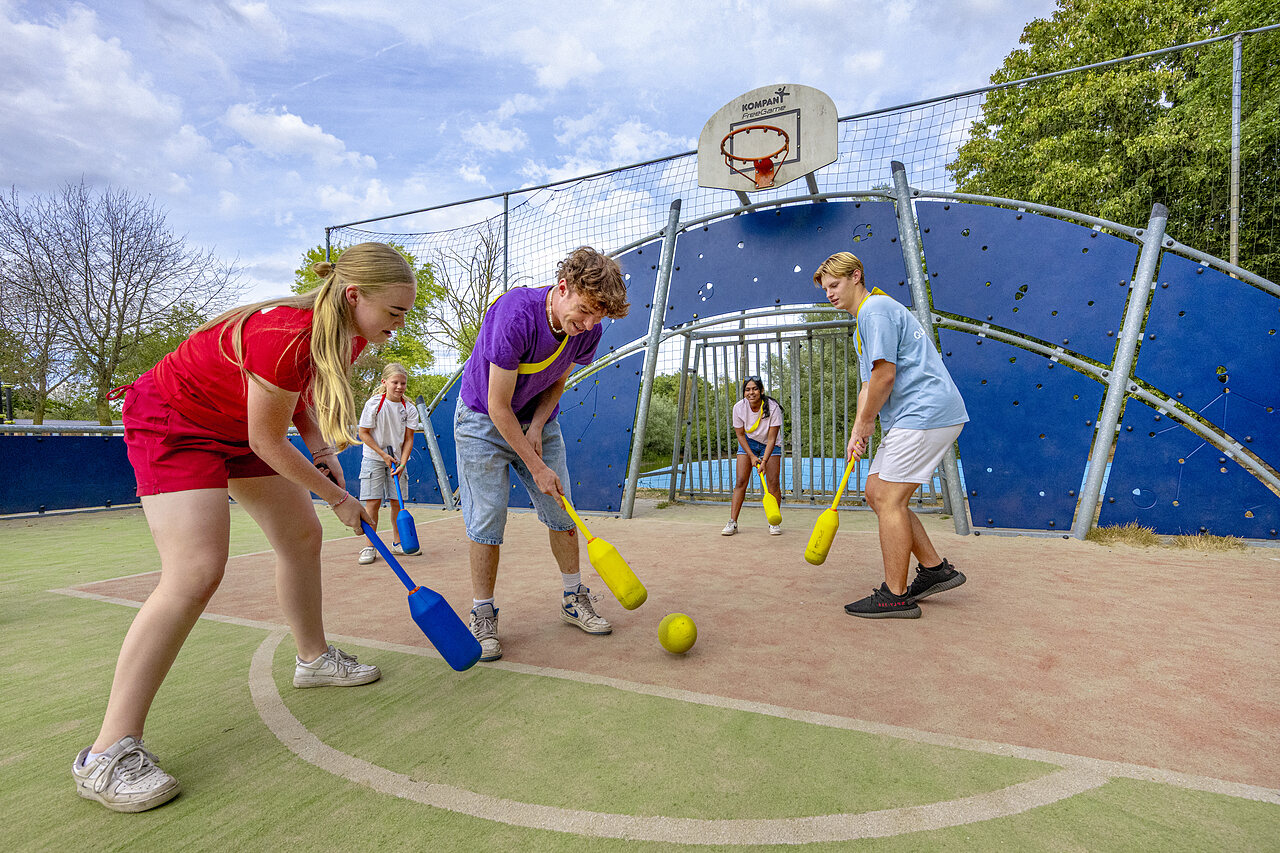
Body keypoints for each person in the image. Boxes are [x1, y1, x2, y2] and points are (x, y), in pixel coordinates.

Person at [73, 242, 416, 811]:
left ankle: (312, 660)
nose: (399, 325)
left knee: (301, 536)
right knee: (196, 571)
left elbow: (296, 402)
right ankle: (106, 754)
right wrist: (337, 497)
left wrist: (324, 455)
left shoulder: (349, 335)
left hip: (240, 427)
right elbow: (267, 439)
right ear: (355, 296)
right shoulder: (285, 334)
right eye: (395, 312)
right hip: (175, 422)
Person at [455, 246, 629, 661]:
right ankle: (483, 614)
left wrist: (536, 428)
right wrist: (535, 466)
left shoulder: (587, 329)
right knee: (487, 519)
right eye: (584, 311)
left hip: (537, 417)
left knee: (562, 512)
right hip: (482, 419)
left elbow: (558, 379)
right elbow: (498, 406)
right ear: (563, 288)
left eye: (597, 317)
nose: (588, 325)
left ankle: (573, 598)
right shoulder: (515, 315)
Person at [813, 251, 969, 619]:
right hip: (915, 415)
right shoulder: (866, 320)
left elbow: (885, 376)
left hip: (926, 412)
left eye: (835, 284)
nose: (830, 293)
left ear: (856, 276)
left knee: (888, 497)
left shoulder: (875, 310)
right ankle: (935, 570)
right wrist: (858, 429)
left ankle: (895, 595)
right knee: (876, 492)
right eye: (825, 289)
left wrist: (868, 423)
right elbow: (869, 385)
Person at [356, 361, 422, 564]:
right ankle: (370, 546)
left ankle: (398, 543)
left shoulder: (409, 409)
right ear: (384, 382)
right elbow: (363, 433)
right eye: (395, 382)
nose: (400, 387)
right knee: (373, 502)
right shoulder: (374, 404)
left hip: (398, 461)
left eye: (403, 383)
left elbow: (409, 439)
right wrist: (383, 455)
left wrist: (402, 464)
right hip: (374, 458)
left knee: (397, 503)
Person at [722, 376, 785, 536]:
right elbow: (740, 435)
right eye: (747, 390)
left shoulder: (773, 407)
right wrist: (751, 456)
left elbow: (772, 439)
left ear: (761, 390)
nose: (751, 392)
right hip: (748, 443)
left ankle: (774, 522)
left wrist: (764, 461)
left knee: (773, 484)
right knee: (740, 481)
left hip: (770, 444)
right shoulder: (739, 407)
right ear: (744, 393)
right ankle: (732, 522)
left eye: (755, 389)